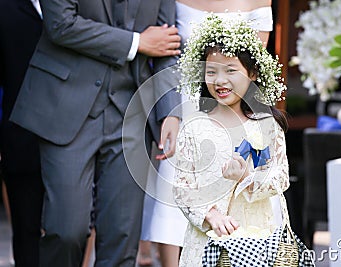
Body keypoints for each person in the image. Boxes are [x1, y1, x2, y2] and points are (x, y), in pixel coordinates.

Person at [9, 0, 182, 266]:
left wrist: (170, 109)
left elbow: (166, 42)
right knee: (66, 230)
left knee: (121, 237)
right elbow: (61, 24)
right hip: (65, 105)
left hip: (130, 111)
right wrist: (135, 43)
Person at [139, 1, 275, 266]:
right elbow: (168, 53)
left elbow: (254, 59)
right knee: (174, 188)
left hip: (233, 101)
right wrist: (171, 113)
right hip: (185, 100)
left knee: (232, 180)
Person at [172, 15, 289, 266]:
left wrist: (247, 176)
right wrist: (210, 216)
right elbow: (183, 189)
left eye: (231, 70)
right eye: (211, 72)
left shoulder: (265, 125)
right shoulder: (194, 127)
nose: (220, 81)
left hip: (257, 239)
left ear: (253, 73)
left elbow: (280, 178)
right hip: (206, 242)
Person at [0, 0, 44, 266]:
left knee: (71, 230)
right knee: (26, 231)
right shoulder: (5, 7)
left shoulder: (83, 7)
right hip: (20, 136)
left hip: (77, 135)